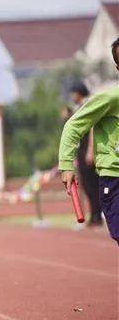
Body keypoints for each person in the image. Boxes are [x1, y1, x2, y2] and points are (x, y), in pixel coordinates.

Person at [59, 38, 119, 244]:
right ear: (118, 67)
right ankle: (95, 216)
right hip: (114, 178)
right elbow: (73, 126)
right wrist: (66, 165)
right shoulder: (110, 98)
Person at [66, 83, 103, 227]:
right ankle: (94, 215)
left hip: (88, 149)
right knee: (87, 185)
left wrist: (90, 150)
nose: (72, 96)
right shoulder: (77, 106)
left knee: (93, 184)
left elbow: (93, 126)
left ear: (79, 92)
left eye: (73, 93)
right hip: (81, 149)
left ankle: (97, 215)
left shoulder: (88, 104)